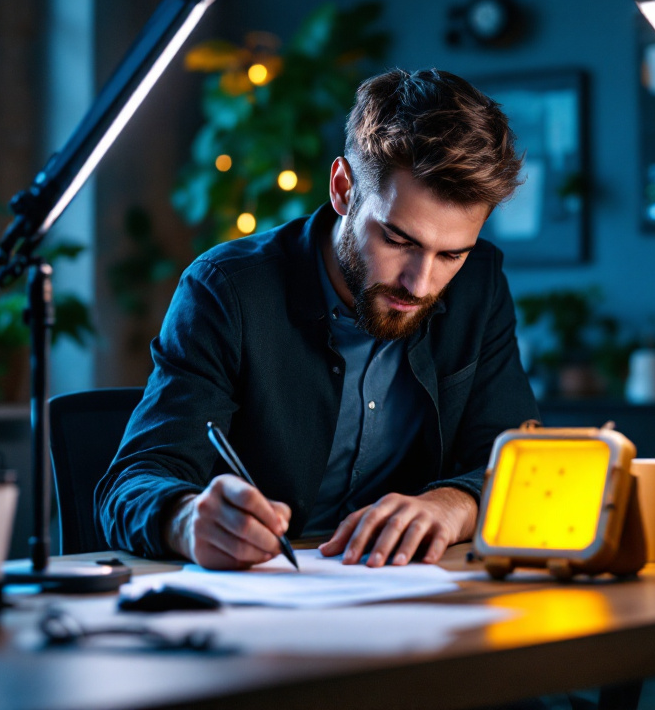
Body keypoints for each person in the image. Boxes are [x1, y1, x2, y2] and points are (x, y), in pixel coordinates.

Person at [96, 68, 539, 570]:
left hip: (407, 598)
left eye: (451, 255)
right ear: (344, 188)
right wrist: (185, 518)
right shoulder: (227, 290)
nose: (420, 284)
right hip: (256, 608)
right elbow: (131, 482)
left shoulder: (479, 283)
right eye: (398, 240)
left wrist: (452, 504)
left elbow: (516, 459)